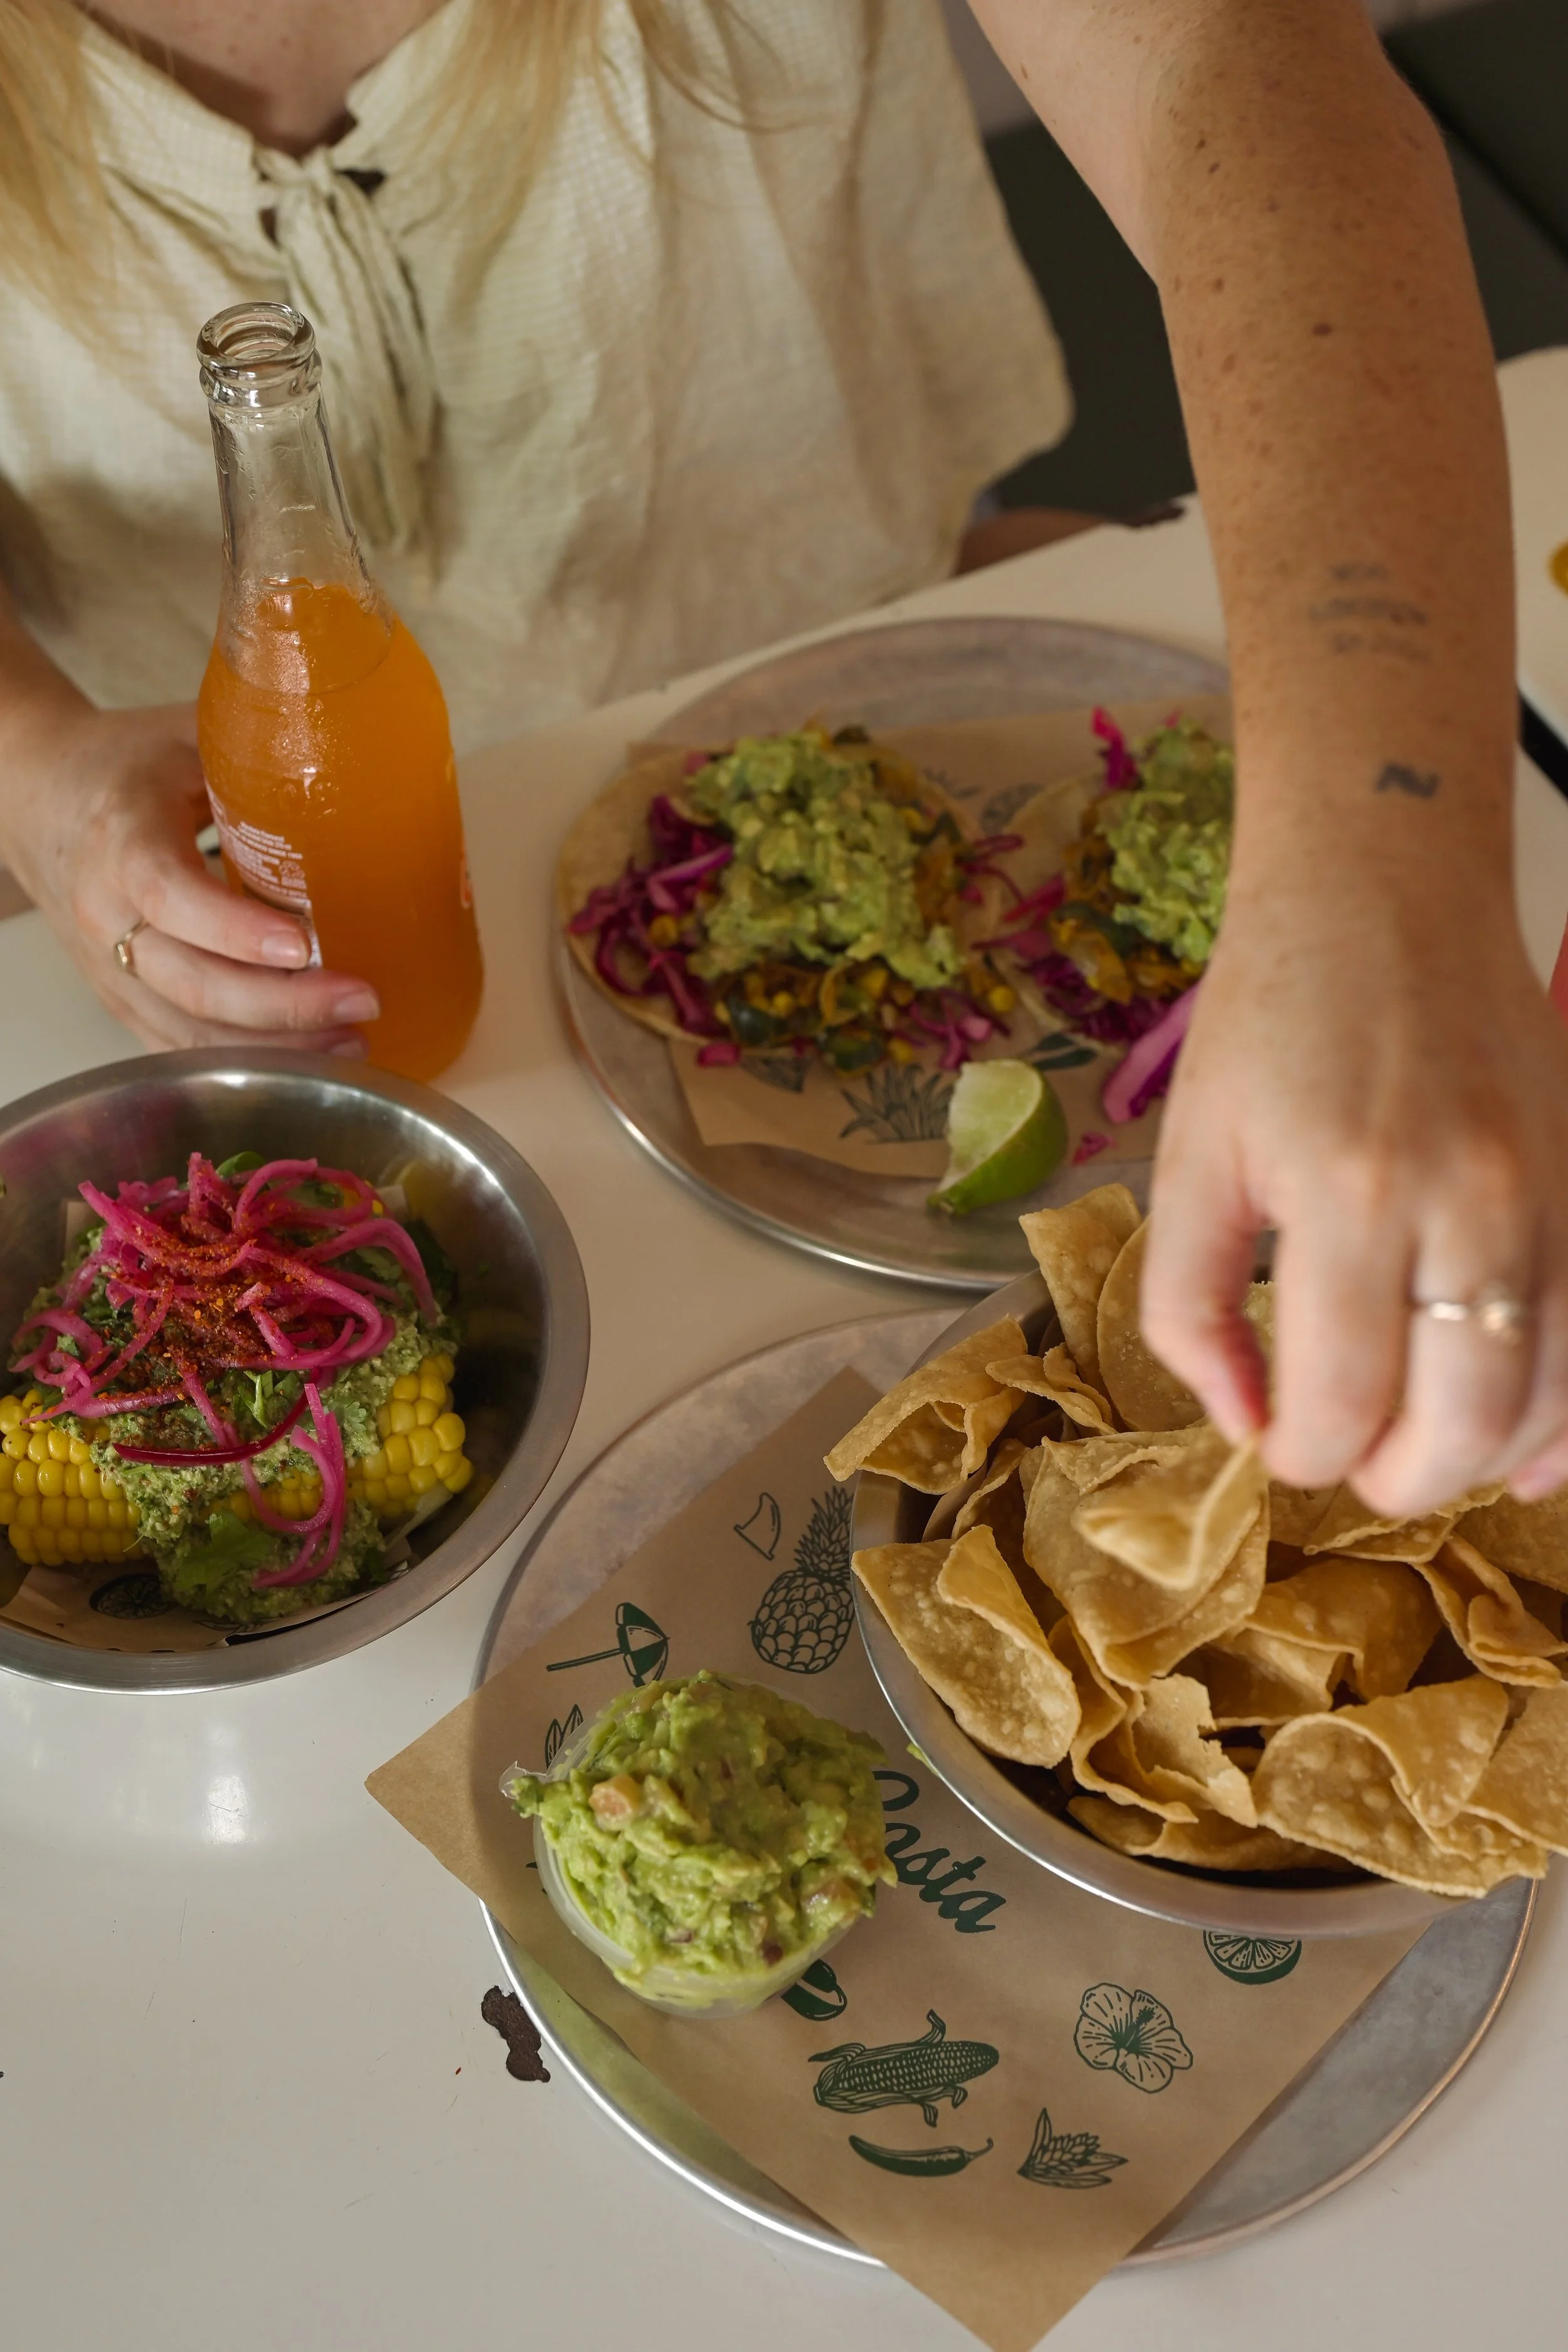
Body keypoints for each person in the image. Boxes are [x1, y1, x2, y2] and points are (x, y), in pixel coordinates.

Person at [1, 0, 1565, 1526]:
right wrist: (35, 766)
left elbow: (1230, 61)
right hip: (227, 866)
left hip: (870, 642)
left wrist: (1383, 885)